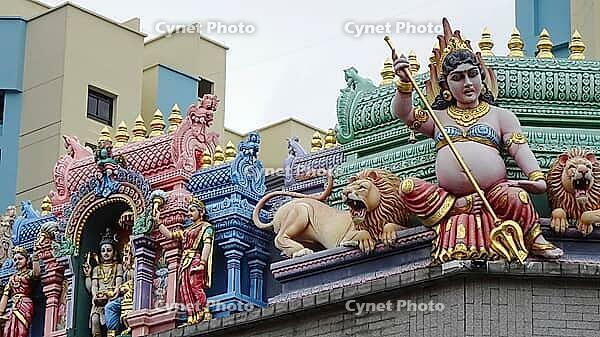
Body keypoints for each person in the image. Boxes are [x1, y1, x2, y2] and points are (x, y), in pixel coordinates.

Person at [392, 18, 562, 263]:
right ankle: (460, 206)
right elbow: (404, 113)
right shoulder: (438, 117)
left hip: (494, 193)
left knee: (518, 198)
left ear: (482, 79)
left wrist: (537, 178)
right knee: (408, 188)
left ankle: (534, 238)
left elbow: (518, 147)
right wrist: (404, 84)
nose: (468, 83)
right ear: (446, 86)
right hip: (448, 198)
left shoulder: (499, 115)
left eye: (473, 75)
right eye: (458, 78)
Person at [155, 197, 214, 325]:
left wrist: (202, 264)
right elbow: (170, 235)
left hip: (195, 259)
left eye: (192, 210)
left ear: (201, 212)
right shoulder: (186, 231)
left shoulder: (206, 227)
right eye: (188, 211)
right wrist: (159, 222)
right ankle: (192, 315)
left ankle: (205, 310)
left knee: (195, 286)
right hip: (185, 261)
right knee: (184, 289)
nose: (189, 214)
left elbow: (207, 245)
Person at [82, 228, 123, 337]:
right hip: (99, 300)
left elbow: (119, 282)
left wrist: (115, 293)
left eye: (109, 250)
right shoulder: (96, 269)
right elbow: (93, 287)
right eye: (103, 250)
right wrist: (95, 295)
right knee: (95, 320)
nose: (106, 253)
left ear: (114, 252)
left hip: (112, 297)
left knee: (111, 320)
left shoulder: (118, 267)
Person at [0, 246, 40, 337]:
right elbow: (5, 295)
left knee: (22, 331)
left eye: (20, 258)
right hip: (14, 306)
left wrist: (35, 257)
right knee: (7, 330)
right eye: (15, 260)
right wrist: (0, 312)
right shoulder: (12, 278)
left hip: (25, 304)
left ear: (27, 260)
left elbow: (36, 273)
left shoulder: (29, 274)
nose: (17, 261)